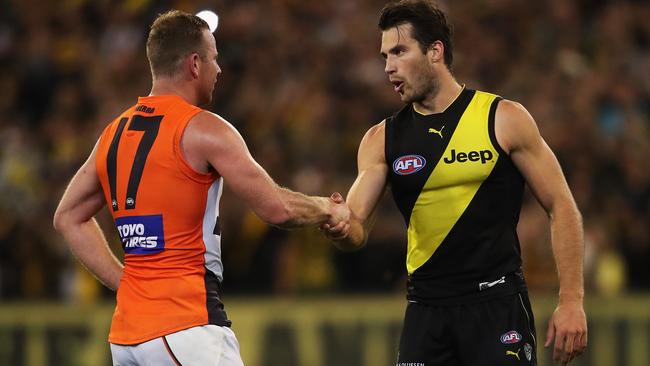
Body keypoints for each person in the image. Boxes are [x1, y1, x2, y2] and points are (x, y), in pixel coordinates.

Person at [53, 10, 349, 366]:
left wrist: (129, 285)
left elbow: (68, 216)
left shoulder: (112, 135)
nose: (219, 69)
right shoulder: (203, 129)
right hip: (185, 327)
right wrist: (327, 209)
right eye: (214, 58)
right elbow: (277, 208)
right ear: (194, 64)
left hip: (128, 339)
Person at [322, 1, 587, 365]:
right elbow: (355, 226)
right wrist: (337, 224)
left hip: (497, 306)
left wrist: (571, 300)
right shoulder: (381, 140)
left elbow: (562, 205)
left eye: (399, 51)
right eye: (385, 56)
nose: (388, 67)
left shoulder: (503, 119)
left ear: (435, 51)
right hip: (426, 313)